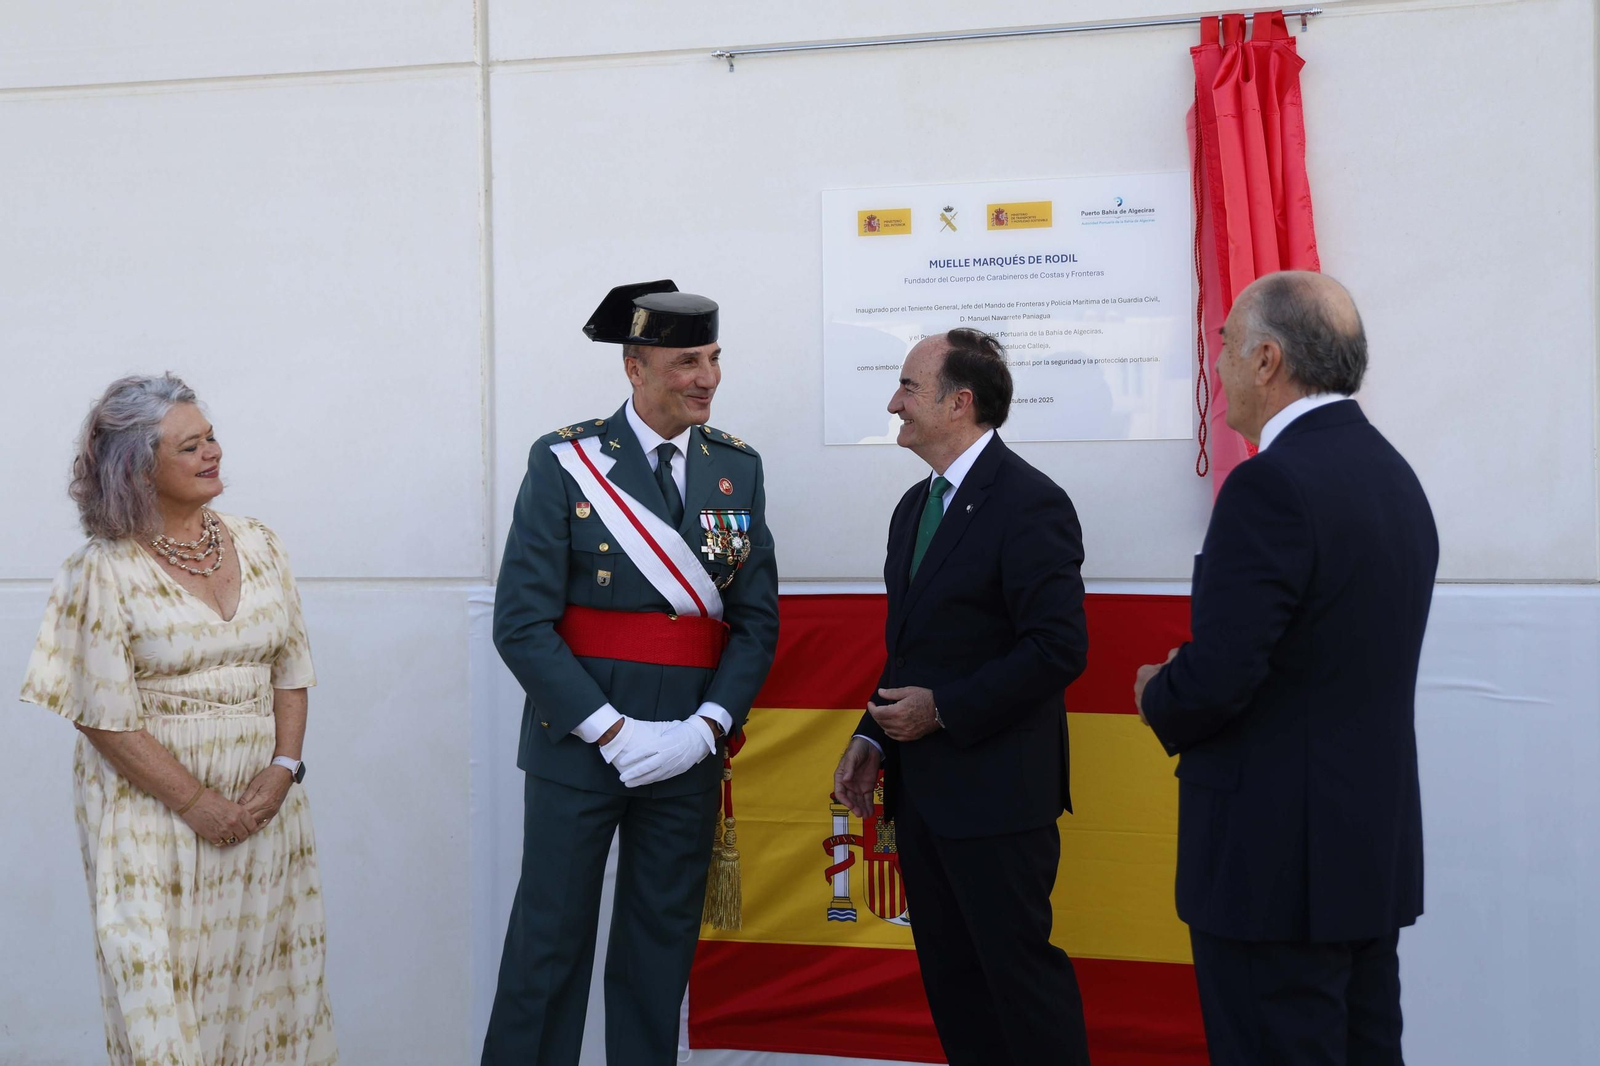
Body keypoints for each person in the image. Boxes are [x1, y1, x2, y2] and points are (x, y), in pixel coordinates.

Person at [1134, 271, 1438, 1066]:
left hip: (1273, 874)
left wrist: (1159, 690)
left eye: (1226, 343)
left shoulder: (1270, 485)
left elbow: (1222, 676)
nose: (1218, 363)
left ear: (1268, 360)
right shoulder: (1394, 476)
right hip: (1364, 858)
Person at [482, 280, 780, 1065]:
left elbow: (755, 624)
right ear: (635, 368)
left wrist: (706, 730)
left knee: (658, 954)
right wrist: (610, 731)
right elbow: (521, 624)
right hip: (581, 745)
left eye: (713, 358)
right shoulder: (565, 461)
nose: (708, 378)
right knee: (547, 950)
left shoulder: (737, 468)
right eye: (687, 362)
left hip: (686, 751)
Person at [19, 374, 337, 1065]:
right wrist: (196, 803)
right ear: (137, 469)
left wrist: (284, 769)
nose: (211, 453)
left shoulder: (261, 543)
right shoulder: (99, 572)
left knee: (269, 989)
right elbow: (100, 717)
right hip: (151, 813)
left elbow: (292, 669)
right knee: (160, 997)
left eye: (211, 437)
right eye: (189, 446)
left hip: (263, 806)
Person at [832, 328, 1092, 1066]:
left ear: (960, 403)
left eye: (908, 388)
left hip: (998, 799)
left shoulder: (1031, 502)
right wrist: (872, 736)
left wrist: (943, 710)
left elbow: (1057, 648)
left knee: (1019, 985)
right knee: (954, 986)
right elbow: (912, 648)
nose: (894, 404)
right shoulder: (912, 508)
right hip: (923, 796)